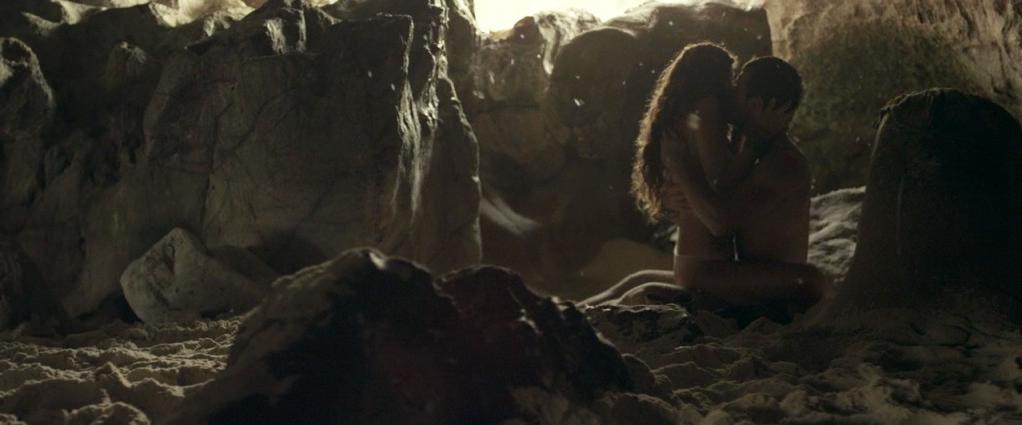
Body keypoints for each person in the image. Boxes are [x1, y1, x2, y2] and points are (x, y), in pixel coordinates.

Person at [584, 44, 829, 312]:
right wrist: (672, 191)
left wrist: (680, 172)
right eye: (730, 83)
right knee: (640, 280)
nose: (729, 94)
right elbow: (718, 200)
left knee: (812, 280)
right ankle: (573, 308)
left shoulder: (780, 162)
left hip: (738, 271)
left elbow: (721, 215)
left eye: (737, 88)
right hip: (721, 267)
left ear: (755, 105)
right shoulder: (744, 142)